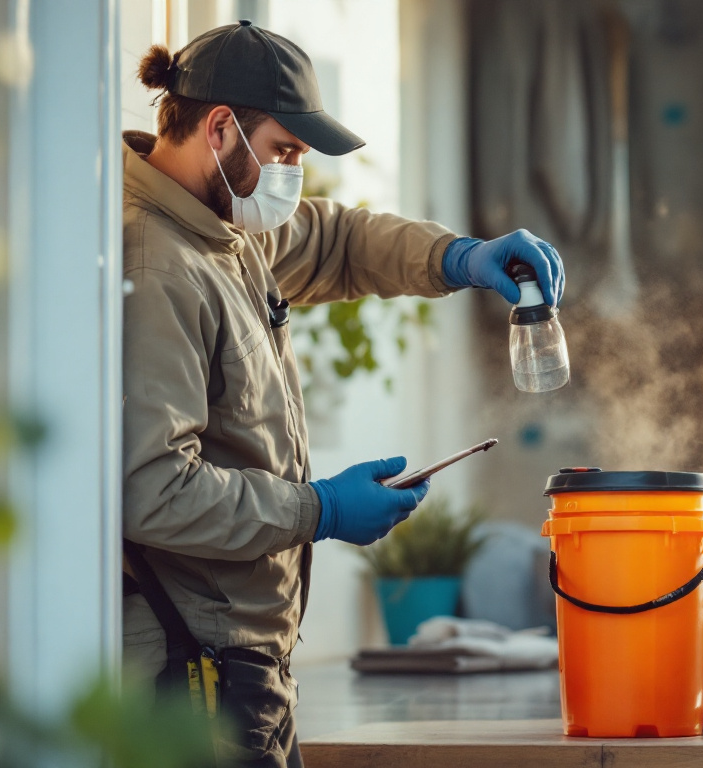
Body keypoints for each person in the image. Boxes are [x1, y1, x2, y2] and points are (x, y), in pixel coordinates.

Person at [120, 20, 565, 768]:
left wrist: (458, 257)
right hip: (191, 675)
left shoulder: (225, 232)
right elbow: (154, 491)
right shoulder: (160, 265)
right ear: (221, 129)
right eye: (285, 152)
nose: (295, 175)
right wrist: (317, 510)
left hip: (245, 668)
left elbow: (339, 243)